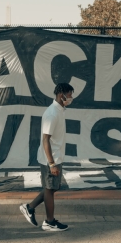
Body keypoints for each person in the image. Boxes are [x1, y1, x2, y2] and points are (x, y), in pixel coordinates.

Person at [20, 83, 74, 232]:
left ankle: (29, 208)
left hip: (56, 157)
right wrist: (51, 163)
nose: (71, 98)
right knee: (50, 189)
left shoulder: (60, 110)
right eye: (69, 95)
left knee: (52, 187)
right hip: (50, 159)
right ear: (61, 94)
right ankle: (49, 222)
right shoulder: (52, 113)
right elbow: (46, 140)